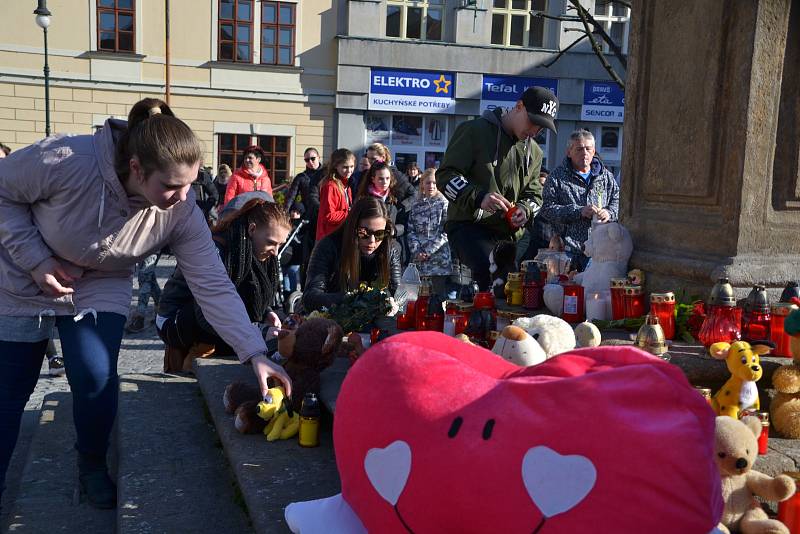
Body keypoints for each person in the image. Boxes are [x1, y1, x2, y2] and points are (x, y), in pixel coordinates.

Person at [0, 98, 291, 510]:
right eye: (171, 186)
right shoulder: (67, 159)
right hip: (19, 274)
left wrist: (253, 350)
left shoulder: (182, 210)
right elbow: (2, 190)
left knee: (95, 378)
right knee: (9, 392)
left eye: (190, 184)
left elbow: (211, 283)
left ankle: (92, 465)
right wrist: (35, 260)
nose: (182, 197)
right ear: (136, 168)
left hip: (99, 280)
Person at [436, 86, 558, 289]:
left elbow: (535, 194)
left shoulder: (534, 152)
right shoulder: (474, 131)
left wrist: (524, 209)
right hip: (469, 226)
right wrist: (478, 196)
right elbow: (445, 175)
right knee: (488, 272)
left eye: (542, 127)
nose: (536, 131)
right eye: (534, 122)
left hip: (507, 235)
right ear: (519, 107)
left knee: (509, 289)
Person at [157, 196, 290, 371]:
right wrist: (257, 331)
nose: (275, 252)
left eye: (280, 244)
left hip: (203, 316)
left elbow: (247, 289)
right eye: (271, 243)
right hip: (178, 319)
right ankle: (194, 366)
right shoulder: (218, 250)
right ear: (251, 229)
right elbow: (208, 313)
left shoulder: (254, 249)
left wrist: (266, 312)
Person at [303, 197, 402, 312]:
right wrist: (350, 299)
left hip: (377, 322)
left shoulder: (389, 249)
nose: (372, 241)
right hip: (333, 319)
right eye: (364, 232)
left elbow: (398, 295)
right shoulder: (328, 246)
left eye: (379, 234)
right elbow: (310, 297)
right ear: (352, 228)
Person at [541, 129, 619, 272]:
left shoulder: (606, 176)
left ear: (594, 151)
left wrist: (609, 213)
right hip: (568, 252)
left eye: (588, 149)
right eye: (579, 149)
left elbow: (618, 201)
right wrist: (578, 211)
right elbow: (546, 209)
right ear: (569, 152)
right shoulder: (556, 177)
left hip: (600, 251)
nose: (584, 153)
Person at [407, 169, 452, 297]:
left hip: (439, 262)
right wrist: (417, 251)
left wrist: (428, 251)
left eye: (434, 183)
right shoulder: (415, 205)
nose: (431, 186)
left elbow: (446, 231)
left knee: (438, 299)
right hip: (419, 262)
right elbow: (410, 231)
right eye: (428, 183)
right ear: (422, 184)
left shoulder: (444, 204)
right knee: (418, 298)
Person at [285, 148, 325, 287]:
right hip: (309, 221)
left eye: (313, 158)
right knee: (307, 258)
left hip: (325, 218)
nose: (310, 162)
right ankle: (305, 288)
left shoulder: (326, 174)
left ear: (318, 157)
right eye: (307, 160)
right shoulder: (302, 177)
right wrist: (285, 215)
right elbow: (290, 197)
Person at [316, 148, 355, 241]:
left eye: (352, 166)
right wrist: (350, 213)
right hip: (329, 238)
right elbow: (328, 216)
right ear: (336, 166)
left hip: (339, 236)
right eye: (345, 167)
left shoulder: (346, 185)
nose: (349, 170)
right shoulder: (330, 186)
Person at [124, 252, 162, 333]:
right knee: (149, 277)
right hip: (143, 246)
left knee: (144, 277)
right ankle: (162, 308)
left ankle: (140, 317)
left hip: (153, 245)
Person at [356, 161, 400, 226]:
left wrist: (394, 230)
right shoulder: (364, 197)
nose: (385, 182)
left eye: (387, 178)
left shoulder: (394, 195)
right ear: (373, 179)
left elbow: (402, 223)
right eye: (381, 179)